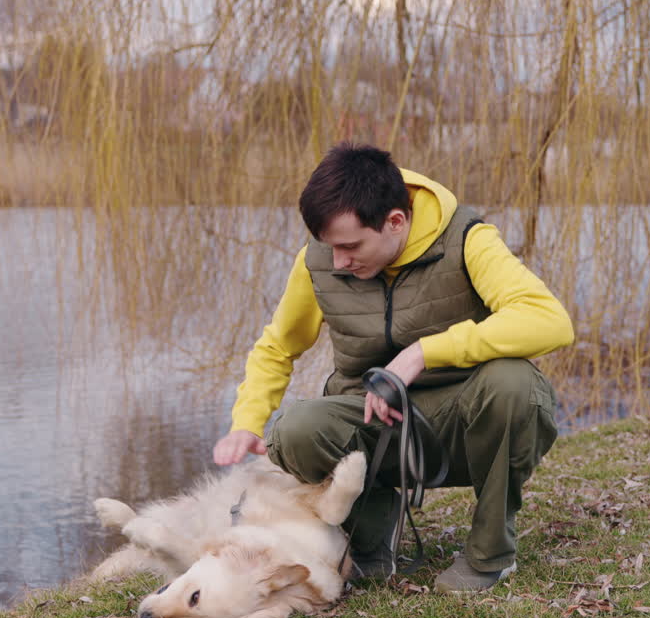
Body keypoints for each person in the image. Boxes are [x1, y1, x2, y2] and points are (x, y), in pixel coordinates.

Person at [212, 142, 573, 592]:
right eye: (330, 247)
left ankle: (489, 554)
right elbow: (278, 346)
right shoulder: (320, 260)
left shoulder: (467, 239)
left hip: (460, 422)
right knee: (292, 429)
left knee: (515, 384)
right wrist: (246, 422)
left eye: (350, 246)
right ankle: (372, 542)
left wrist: (423, 353)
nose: (338, 261)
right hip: (371, 420)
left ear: (395, 222)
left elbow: (550, 321)